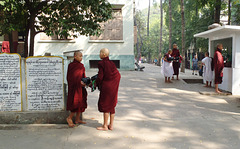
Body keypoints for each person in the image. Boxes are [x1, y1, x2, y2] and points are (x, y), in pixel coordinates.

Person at [96, 48, 121, 131]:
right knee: (112, 105)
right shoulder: (111, 63)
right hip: (113, 86)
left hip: (107, 86)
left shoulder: (101, 63)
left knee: (106, 105)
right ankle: (111, 125)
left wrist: (95, 84)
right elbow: (118, 75)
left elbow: (100, 77)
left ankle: (105, 126)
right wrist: (114, 84)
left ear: (104, 54)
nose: (99, 54)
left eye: (100, 52)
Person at [66, 51, 87, 127]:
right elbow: (70, 77)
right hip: (74, 87)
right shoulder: (71, 65)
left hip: (80, 87)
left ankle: (77, 119)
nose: (81, 58)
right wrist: (78, 82)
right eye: (80, 56)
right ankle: (69, 118)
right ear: (75, 56)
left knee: (81, 102)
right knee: (75, 103)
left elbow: (83, 76)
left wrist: (85, 82)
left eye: (82, 56)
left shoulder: (81, 65)